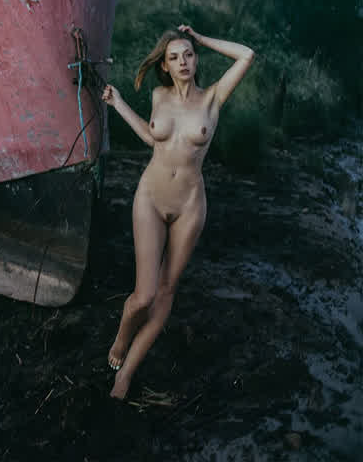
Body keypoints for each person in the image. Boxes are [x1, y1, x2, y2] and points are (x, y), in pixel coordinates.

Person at [101, 25, 255, 400]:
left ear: (196, 59)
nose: (182, 61)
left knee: (166, 292)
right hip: (150, 198)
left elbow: (246, 55)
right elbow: (149, 136)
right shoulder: (158, 95)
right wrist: (118, 103)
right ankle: (122, 337)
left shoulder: (213, 98)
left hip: (189, 206)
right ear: (164, 66)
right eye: (174, 57)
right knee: (143, 296)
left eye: (188, 54)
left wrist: (199, 37)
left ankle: (126, 374)